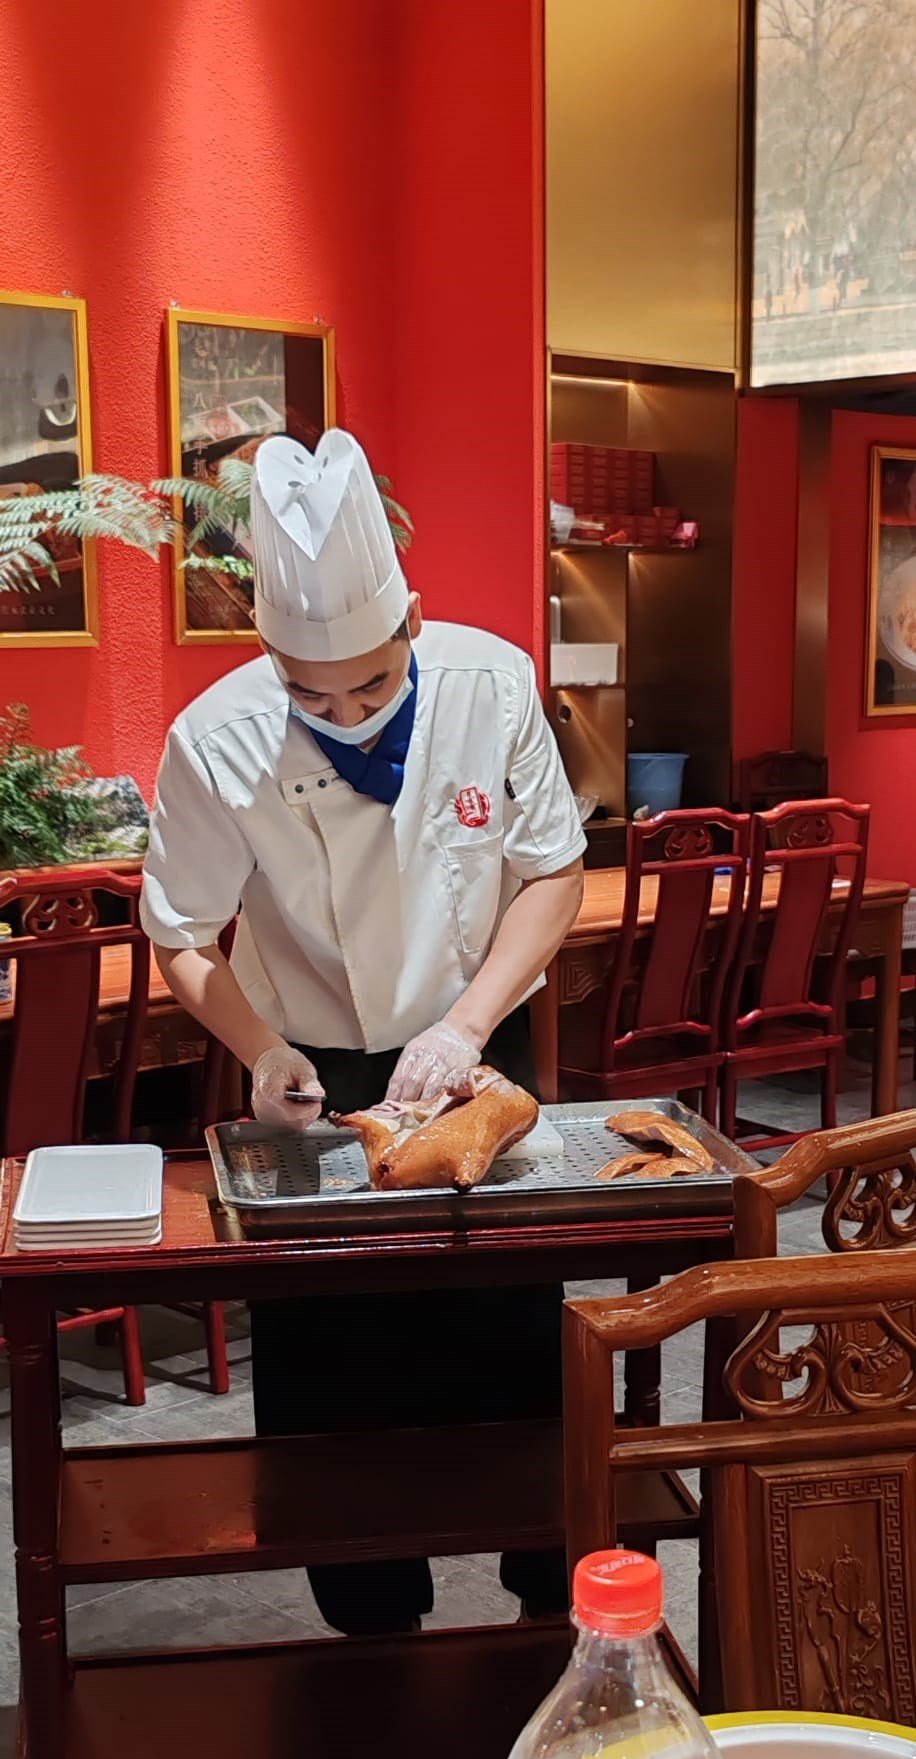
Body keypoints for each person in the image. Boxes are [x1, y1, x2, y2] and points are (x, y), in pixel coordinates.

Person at [141, 429, 586, 1634]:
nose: (340, 712)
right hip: (311, 1073)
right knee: (334, 1368)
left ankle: (547, 1620)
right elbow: (180, 932)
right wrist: (260, 1049)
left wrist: (465, 1022)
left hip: (478, 1055)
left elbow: (552, 873)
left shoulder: (491, 685)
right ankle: (369, 1631)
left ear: (413, 626)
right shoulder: (218, 737)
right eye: (308, 692)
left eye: (371, 687)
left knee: (513, 1343)